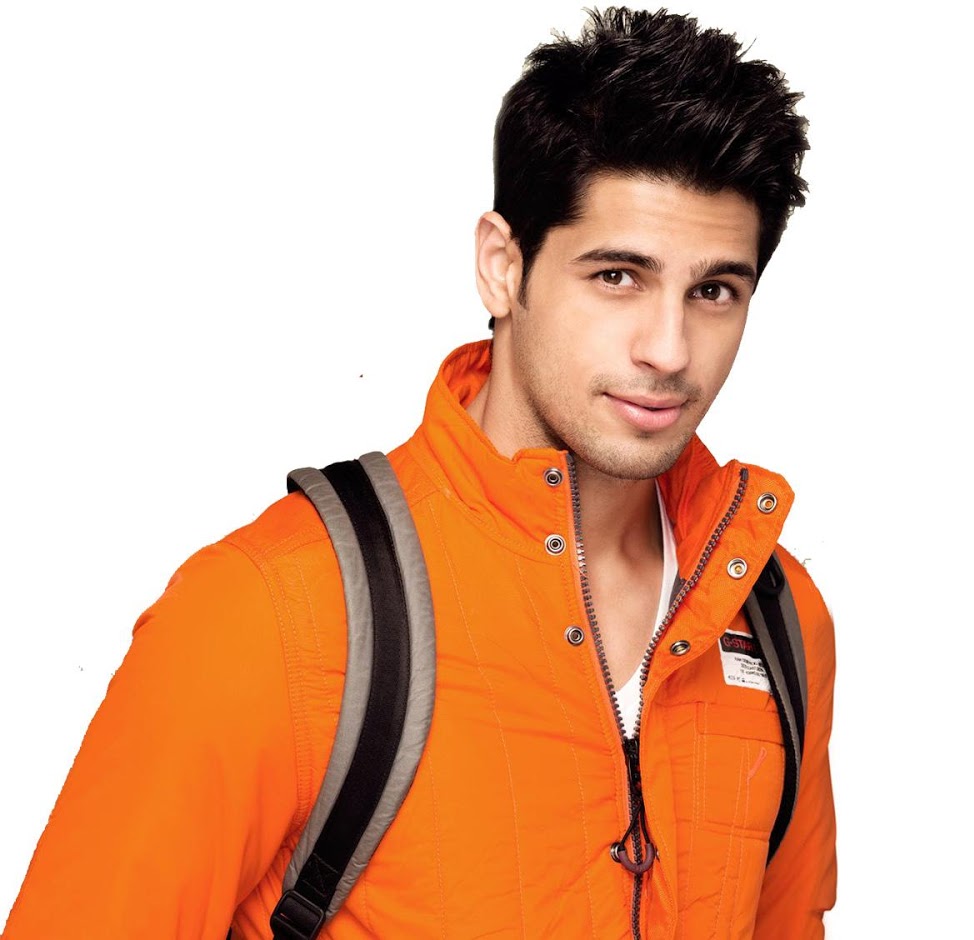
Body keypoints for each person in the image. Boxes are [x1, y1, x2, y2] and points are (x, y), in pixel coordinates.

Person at [2, 7, 835, 938]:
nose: (669, 349)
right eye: (617, 277)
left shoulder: (774, 617)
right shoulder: (273, 612)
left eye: (714, 291)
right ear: (502, 267)